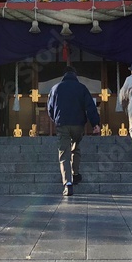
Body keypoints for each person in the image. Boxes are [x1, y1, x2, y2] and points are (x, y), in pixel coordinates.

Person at [47, 67, 100, 197]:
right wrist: (95, 124)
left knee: (64, 153)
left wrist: (56, 119)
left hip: (62, 124)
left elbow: (50, 108)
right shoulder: (81, 88)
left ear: (64, 75)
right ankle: (75, 174)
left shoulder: (55, 88)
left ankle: (68, 184)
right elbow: (90, 107)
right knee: (75, 148)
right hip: (78, 124)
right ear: (75, 75)